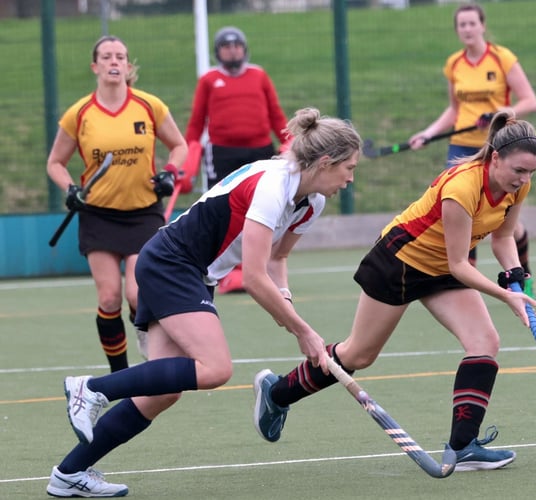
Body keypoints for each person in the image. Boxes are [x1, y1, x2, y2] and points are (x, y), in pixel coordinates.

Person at [46, 107, 362, 497]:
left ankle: (69, 473)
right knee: (214, 368)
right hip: (171, 261)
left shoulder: (311, 202)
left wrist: (289, 307)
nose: (349, 179)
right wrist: (304, 331)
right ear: (326, 162)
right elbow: (252, 276)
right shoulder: (273, 184)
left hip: (193, 272)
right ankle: (90, 388)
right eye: (348, 168)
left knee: (161, 392)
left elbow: (277, 259)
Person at [254, 109, 536, 472]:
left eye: (531, 172)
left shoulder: (517, 186)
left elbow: (501, 237)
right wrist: (506, 295)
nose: (525, 178)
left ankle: (463, 444)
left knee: (485, 342)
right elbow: (459, 265)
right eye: (519, 171)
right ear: (496, 158)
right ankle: (277, 393)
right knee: (358, 355)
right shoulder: (462, 188)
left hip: (441, 267)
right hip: (400, 262)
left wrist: (514, 271)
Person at [46, 35, 187, 373]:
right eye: (106, 56)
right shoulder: (79, 114)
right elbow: (55, 163)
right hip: (98, 216)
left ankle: (143, 331)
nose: (114, 62)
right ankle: (120, 375)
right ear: (95, 66)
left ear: (127, 65)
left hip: (143, 214)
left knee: (138, 295)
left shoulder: (149, 106)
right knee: (109, 297)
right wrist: (69, 189)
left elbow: (179, 146)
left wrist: (169, 172)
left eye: (120, 57)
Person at [408, 3, 536, 295]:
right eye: (461, 25)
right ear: (457, 30)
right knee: (460, 214)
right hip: (461, 148)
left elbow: (530, 101)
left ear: (482, 25)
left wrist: (499, 114)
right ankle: (466, 283)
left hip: (498, 147)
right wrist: (428, 133)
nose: (467, 29)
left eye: (471, 23)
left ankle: (522, 271)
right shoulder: (454, 63)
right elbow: (454, 110)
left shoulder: (502, 58)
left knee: (502, 223)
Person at [186, 26, 290, 294]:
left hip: (261, 151)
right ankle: (222, 271)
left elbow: (276, 113)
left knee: (264, 208)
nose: (232, 50)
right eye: (225, 46)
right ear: (218, 51)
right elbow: (197, 121)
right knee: (223, 210)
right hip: (222, 153)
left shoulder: (259, 75)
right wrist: (189, 153)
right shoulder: (209, 79)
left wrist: (288, 142)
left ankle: (258, 267)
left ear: (244, 49)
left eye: (236, 45)